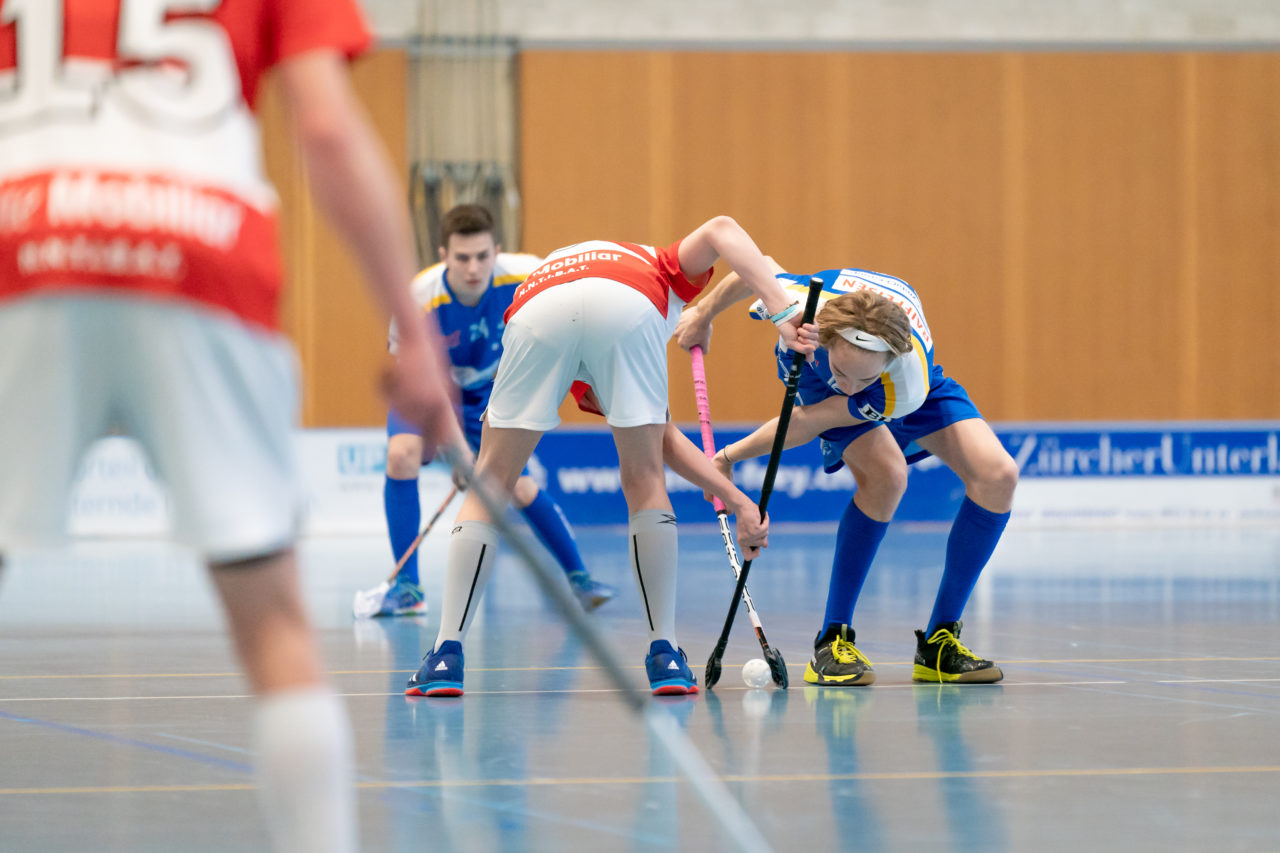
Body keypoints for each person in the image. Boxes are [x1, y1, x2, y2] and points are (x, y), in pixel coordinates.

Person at [0, 4, 455, 852]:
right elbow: (324, 130)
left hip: (19, 244)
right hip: (202, 248)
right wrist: (412, 329)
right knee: (273, 618)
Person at [404, 215, 814, 697]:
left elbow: (662, 432)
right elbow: (730, 232)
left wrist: (736, 499)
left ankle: (445, 656)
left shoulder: (620, 267)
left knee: (490, 480)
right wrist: (784, 311)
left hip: (538, 305)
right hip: (626, 301)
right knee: (643, 479)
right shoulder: (661, 268)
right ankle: (665, 654)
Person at [675, 263, 1016, 685]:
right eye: (845, 374)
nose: (851, 387)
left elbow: (815, 420)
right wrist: (703, 313)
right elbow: (755, 266)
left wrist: (729, 455)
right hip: (817, 368)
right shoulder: (799, 308)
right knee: (887, 476)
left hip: (899, 388)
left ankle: (940, 644)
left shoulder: (905, 379)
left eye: (862, 378)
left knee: (998, 475)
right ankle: (832, 639)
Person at [353, 204, 616, 619]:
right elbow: (422, 386)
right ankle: (407, 589)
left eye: (482, 256)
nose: (473, 268)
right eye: (462, 258)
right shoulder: (418, 299)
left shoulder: (528, 273)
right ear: (443, 255)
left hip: (490, 394)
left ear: (496, 251)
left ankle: (581, 579)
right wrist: (459, 454)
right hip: (431, 389)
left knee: (520, 489)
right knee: (401, 454)